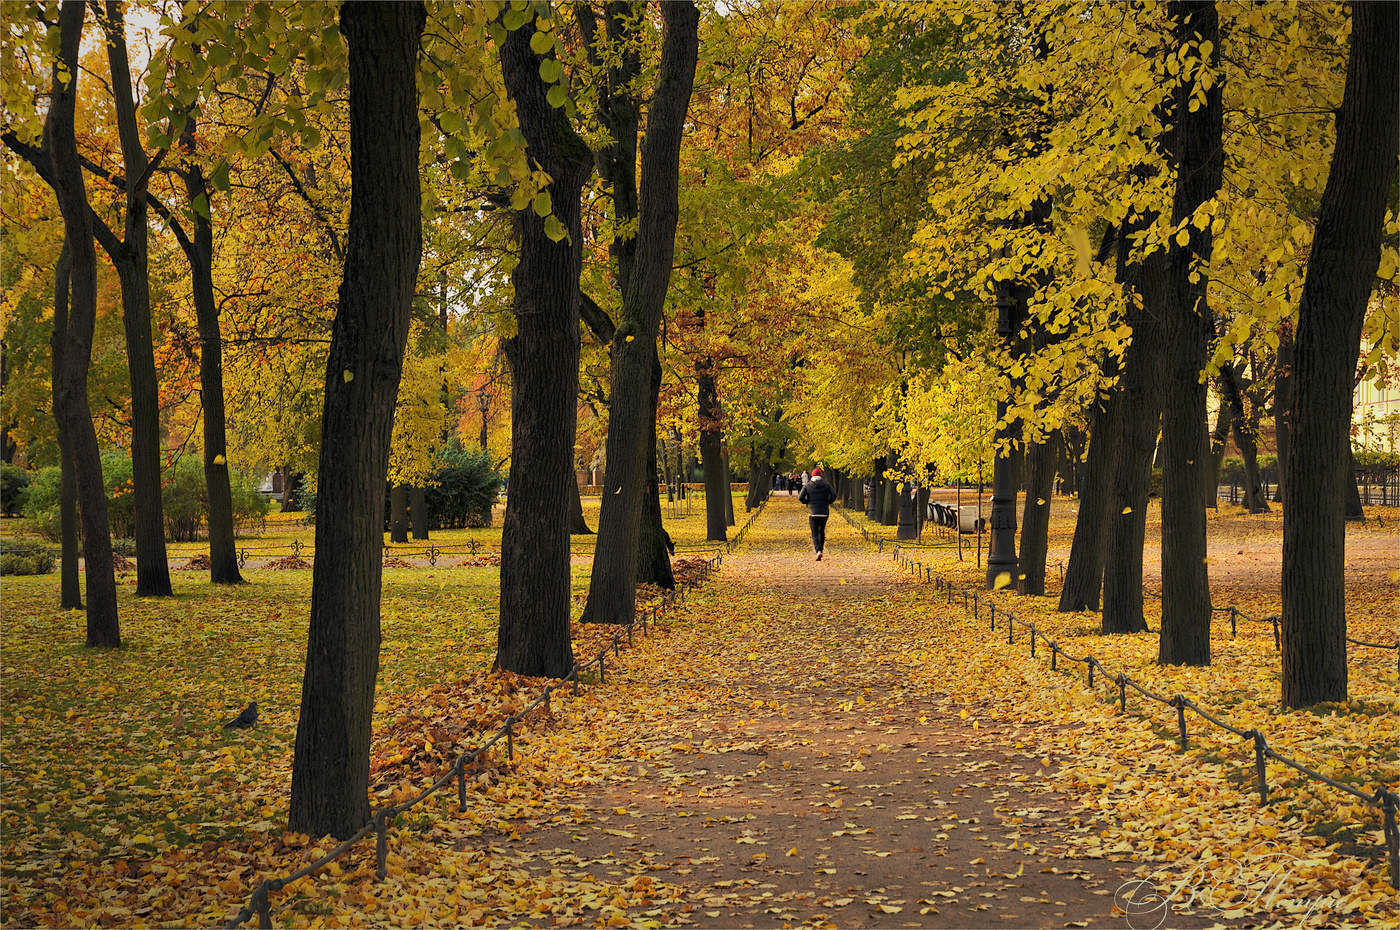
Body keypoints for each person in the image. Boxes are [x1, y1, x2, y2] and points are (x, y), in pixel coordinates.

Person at [799, 466, 838, 560]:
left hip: (813, 513)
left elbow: (800, 497)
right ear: (821, 476)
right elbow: (834, 495)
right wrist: (828, 502)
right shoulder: (827, 485)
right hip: (824, 512)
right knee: (821, 531)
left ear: (812, 476)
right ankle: (821, 549)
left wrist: (807, 502)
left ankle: (818, 551)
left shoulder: (808, 485)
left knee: (814, 532)